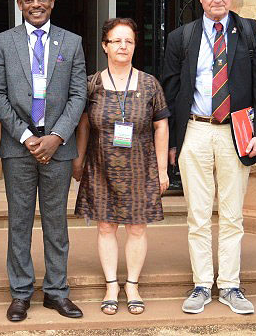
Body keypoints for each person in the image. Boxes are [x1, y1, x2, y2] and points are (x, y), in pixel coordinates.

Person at [160, 0, 256, 315]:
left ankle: (230, 286)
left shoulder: (249, 31)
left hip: (236, 133)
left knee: (232, 214)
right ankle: (201, 284)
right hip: (195, 130)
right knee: (197, 214)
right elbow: (171, 89)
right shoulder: (182, 36)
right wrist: (172, 143)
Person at [0, 0, 87, 322]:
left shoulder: (72, 43)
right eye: (29, 0)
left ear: (52, 1)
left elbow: (79, 96)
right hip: (19, 149)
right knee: (19, 222)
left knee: (55, 222)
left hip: (58, 149)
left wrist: (57, 136)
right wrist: (26, 137)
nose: (36, 4)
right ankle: (20, 294)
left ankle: (57, 292)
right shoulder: (2, 42)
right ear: (20, 3)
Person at [73, 18, 170, 315]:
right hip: (101, 165)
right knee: (105, 226)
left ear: (135, 45)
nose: (122, 46)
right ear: (105, 46)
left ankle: (133, 285)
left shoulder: (150, 83)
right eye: (116, 41)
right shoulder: (92, 83)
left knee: (137, 228)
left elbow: (161, 126)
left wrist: (163, 169)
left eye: (128, 41)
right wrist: (78, 160)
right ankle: (112, 285)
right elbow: (84, 124)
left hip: (140, 166)